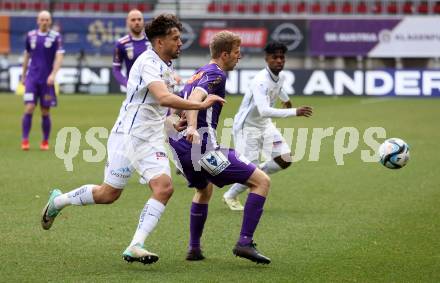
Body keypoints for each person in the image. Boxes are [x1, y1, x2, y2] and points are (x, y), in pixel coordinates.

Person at [40, 14, 225, 265]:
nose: (180, 43)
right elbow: (163, 98)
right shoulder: (147, 61)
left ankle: (136, 244)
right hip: (127, 136)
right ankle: (58, 201)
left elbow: (162, 111)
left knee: (164, 188)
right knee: (108, 194)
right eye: (175, 38)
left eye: (180, 38)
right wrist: (199, 104)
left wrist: (174, 123)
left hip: (150, 140)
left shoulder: (167, 67)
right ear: (159, 42)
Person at [168, 31, 272, 264]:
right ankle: (244, 242)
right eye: (236, 53)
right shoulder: (216, 75)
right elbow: (195, 99)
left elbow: (177, 104)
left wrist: (177, 123)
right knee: (261, 181)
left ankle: (194, 248)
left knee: (204, 190)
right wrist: (193, 127)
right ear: (225, 54)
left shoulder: (198, 72)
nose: (239, 57)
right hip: (202, 148)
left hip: (180, 148)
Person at [222, 41, 313, 211]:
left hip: (264, 125)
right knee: (250, 171)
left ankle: (259, 170)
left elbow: (278, 86)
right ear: (267, 59)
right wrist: (294, 111)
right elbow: (264, 110)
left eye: (282, 57)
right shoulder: (260, 81)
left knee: (285, 159)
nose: (279, 60)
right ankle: (230, 195)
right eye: (275, 57)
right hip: (246, 127)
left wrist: (285, 99)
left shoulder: (280, 76)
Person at [20, 10, 64, 151]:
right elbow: (27, 55)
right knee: (30, 107)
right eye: (42, 19)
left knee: (45, 111)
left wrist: (53, 74)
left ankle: (45, 141)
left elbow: (59, 57)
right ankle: (25, 140)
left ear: (50, 21)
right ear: (37, 21)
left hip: (47, 80)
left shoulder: (56, 37)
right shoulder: (31, 36)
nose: (44, 22)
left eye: (47, 19)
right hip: (32, 78)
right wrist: (23, 74)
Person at [112, 9, 149, 88]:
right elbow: (116, 69)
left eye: (139, 19)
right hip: (133, 89)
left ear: (143, 21)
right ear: (127, 22)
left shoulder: (152, 41)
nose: (137, 22)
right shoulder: (121, 43)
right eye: (133, 20)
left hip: (153, 87)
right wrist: (126, 83)